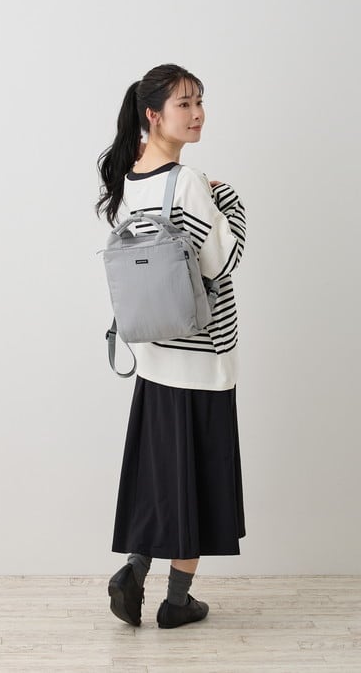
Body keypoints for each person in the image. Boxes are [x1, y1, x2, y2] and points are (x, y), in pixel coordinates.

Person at [95, 63, 247, 629]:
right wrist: (232, 204)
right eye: (184, 104)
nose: (198, 113)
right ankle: (178, 602)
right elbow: (221, 260)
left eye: (200, 101)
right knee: (200, 482)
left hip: (155, 353)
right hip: (203, 358)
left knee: (163, 476)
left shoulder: (128, 179)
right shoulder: (186, 182)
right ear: (153, 115)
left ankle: (135, 568)